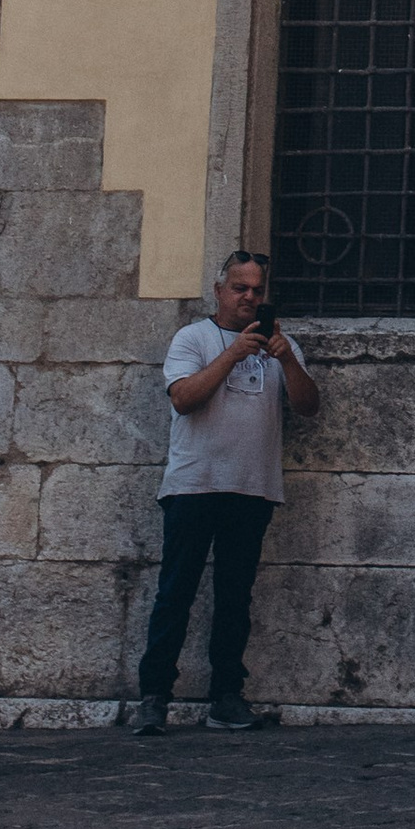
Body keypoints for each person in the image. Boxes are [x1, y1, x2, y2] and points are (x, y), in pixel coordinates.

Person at [131, 249, 319, 736]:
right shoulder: (192, 338)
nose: (249, 298)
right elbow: (184, 399)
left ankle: (226, 698)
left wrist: (287, 361)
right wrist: (233, 352)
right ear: (220, 291)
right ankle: (154, 697)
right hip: (194, 485)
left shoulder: (283, 344)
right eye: (240, 288)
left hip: (252, 488)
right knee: (176, 594)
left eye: (258, 290)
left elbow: (308, 407)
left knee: (235, 598)